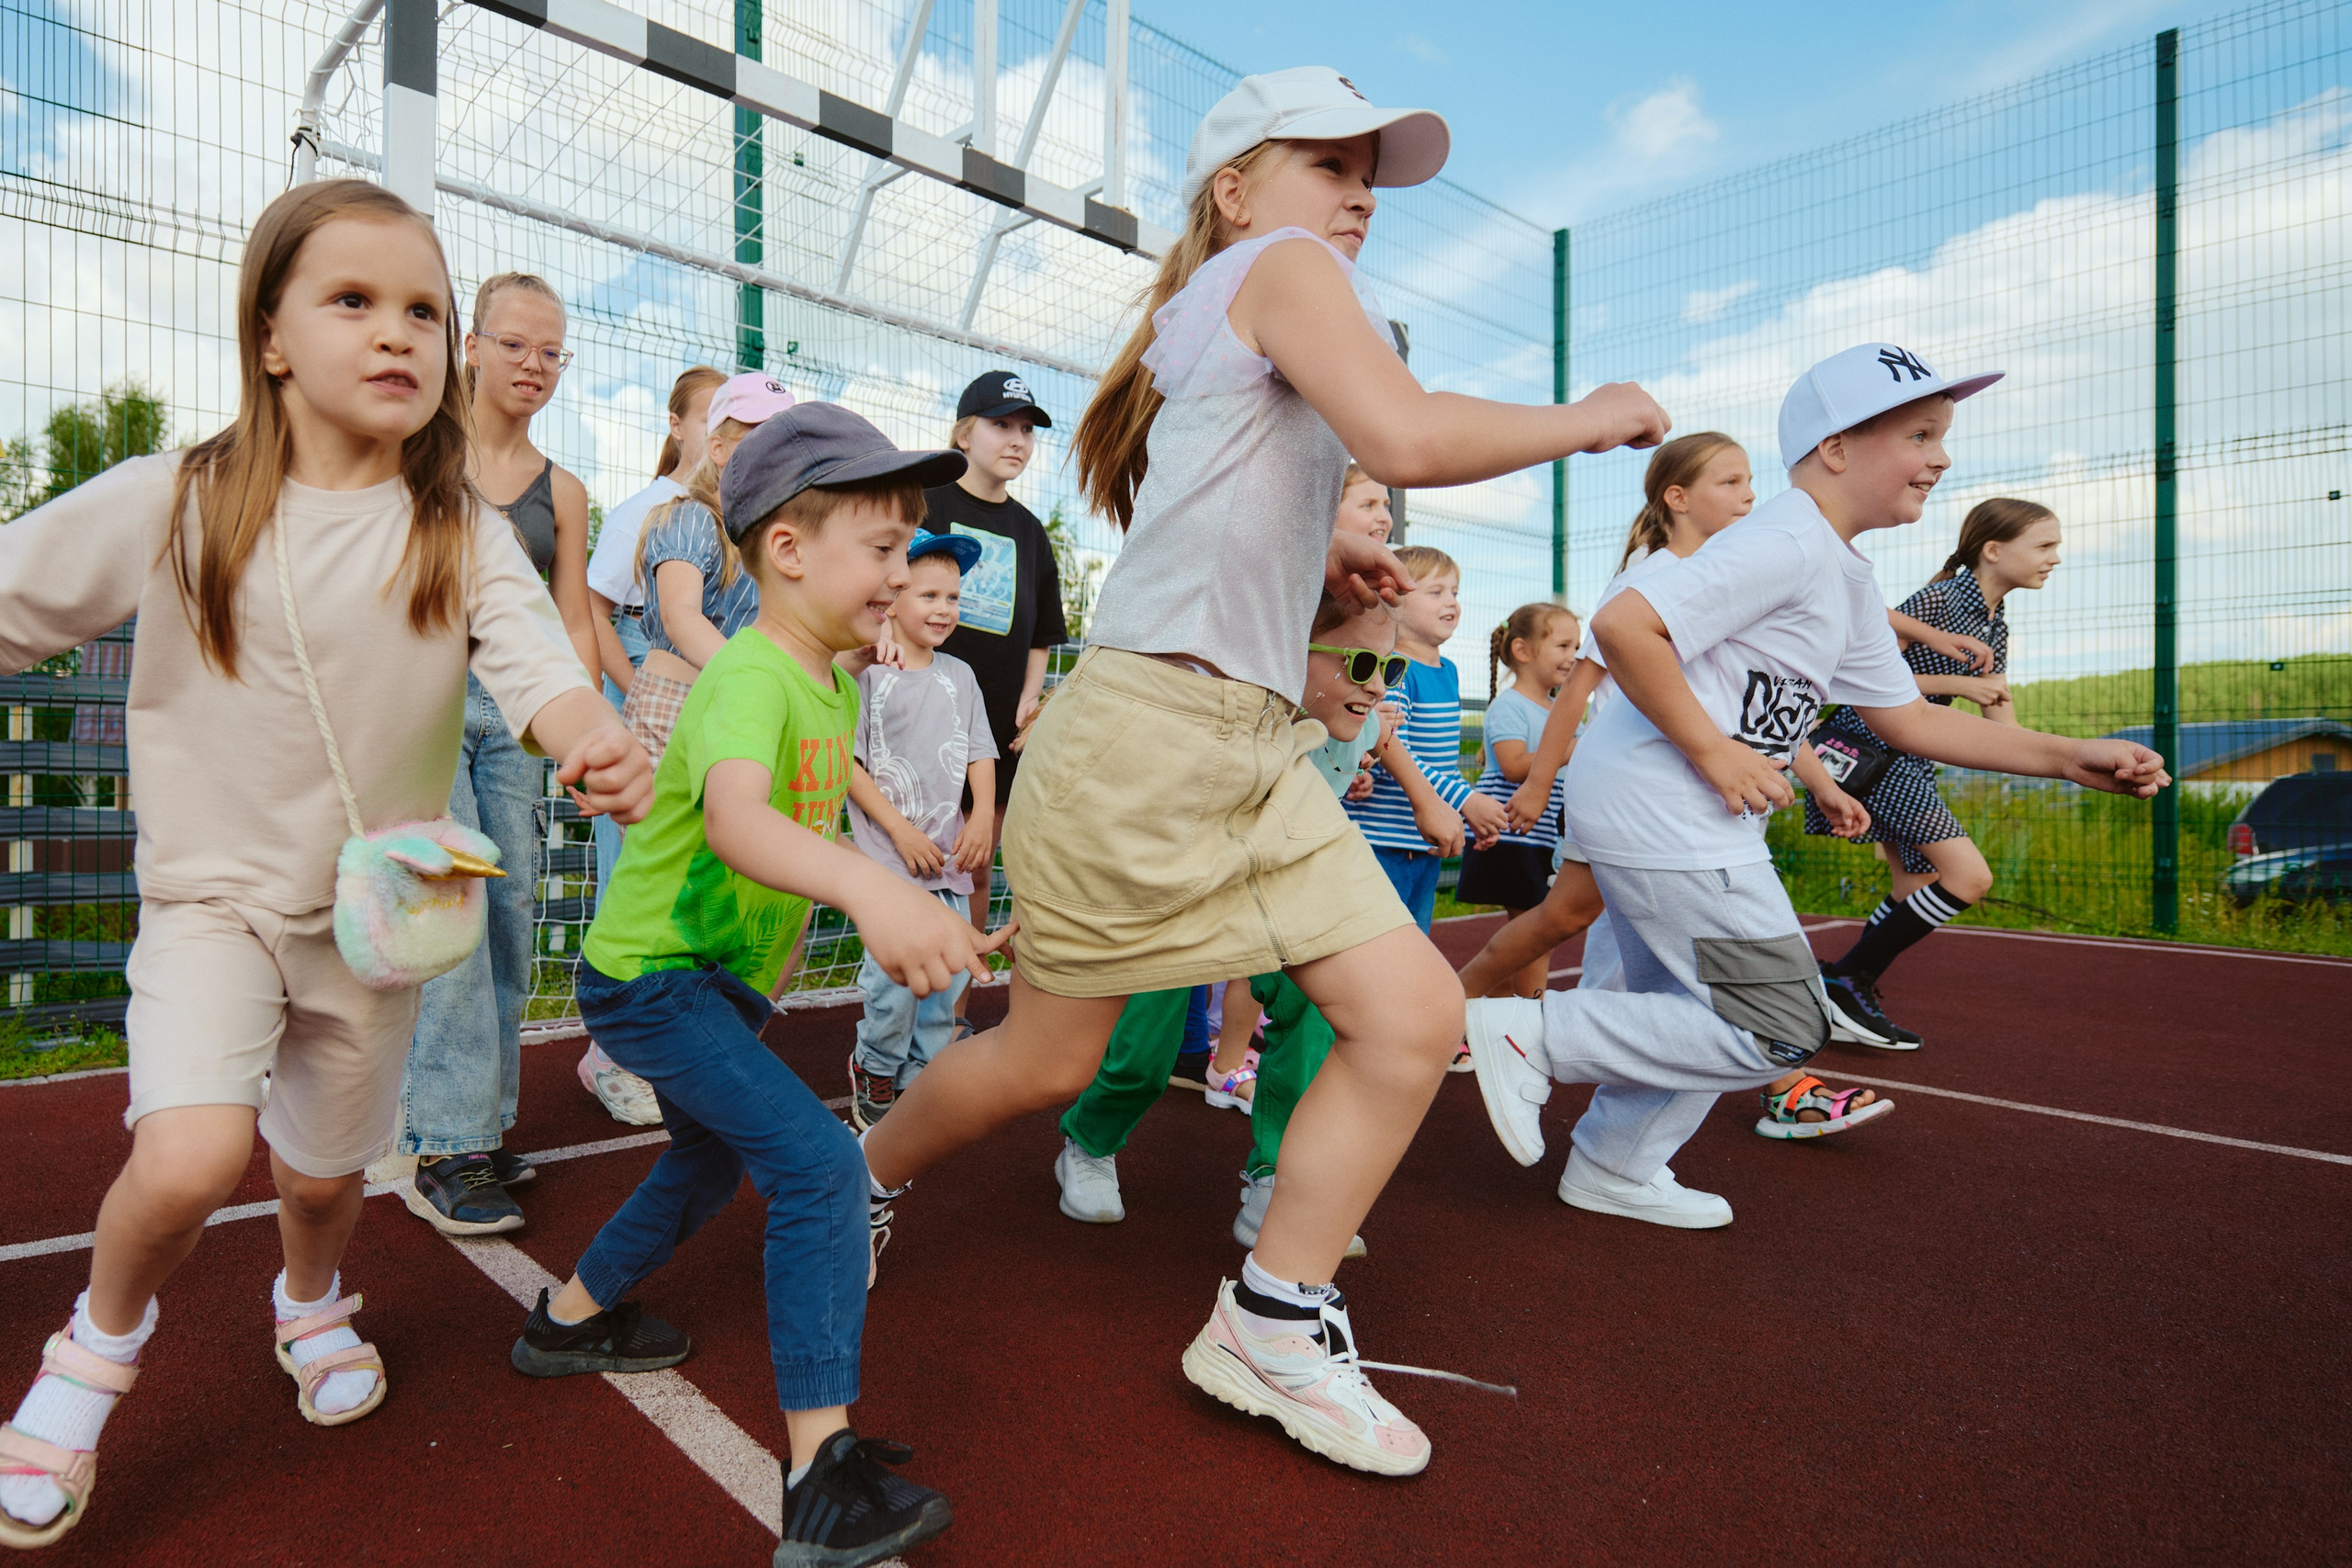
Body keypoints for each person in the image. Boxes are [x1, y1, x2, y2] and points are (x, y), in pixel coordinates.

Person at [857, 66, 1669, 1477]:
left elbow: (1238, 557)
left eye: (1373, 172)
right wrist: (1590, 412)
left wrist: (1326, 581)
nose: (1361, 192)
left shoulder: (1234, 308)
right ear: (1235, 190)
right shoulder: (1280, 265)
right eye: (1329, 162)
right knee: (1043, 1060)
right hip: (1147, 750)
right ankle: (848, 1179)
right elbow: (1408, 436)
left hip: (1244, 745)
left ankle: (1276, 1318)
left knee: (1414, 1013)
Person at [0, 180, 650, 1548]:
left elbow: (544, 666)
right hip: (213, 903)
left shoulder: (458, 530)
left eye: (424, 308)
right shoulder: (173, 501)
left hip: (385, 914)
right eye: (352, 300)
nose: (397, 331)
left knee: (319, 1180)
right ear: (272, 333)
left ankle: (309, 1296)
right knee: (185, 1158)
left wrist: (596, 734)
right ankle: (89, 1354)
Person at [1463, 343, 2167, 1237]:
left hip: (1670, 812)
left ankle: (1614, 1165)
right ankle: (1530, 1035)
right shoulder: (1787, 539)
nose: (1941, 458)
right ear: (1834, 448)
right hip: (1671, 811)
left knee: (1685, 1011)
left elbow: (1906, 719)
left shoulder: (1838, 569)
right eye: (1919, 434)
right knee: (1777, 1024)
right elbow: (1623, 624)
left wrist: (2069, 755)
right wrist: (1715, 751)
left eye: (1941, 436)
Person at [512, 402, 988, 1568]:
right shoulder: (749, 678)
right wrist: (872, 895)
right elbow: (735, 819)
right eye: (881, 552)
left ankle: (568, 1321)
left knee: (710, 1156)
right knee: (824, 1168)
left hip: (713, 986)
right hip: (654, 983)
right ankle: (819, 1483)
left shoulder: (827, 684)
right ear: (787, 551)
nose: (901, 574)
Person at [1052, 591, 1404, 1269]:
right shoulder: (1227, 707)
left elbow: (1331, 784)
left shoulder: (1350, 722)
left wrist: (1357, 769)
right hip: (1195, 879)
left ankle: (1274, 1174)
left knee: (1315, 1008)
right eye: (1362, 662)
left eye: (1392, 670)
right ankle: (1090, 1140)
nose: (1377, 686)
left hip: (1279, 879)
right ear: (1287, 648)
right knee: (1147, 1043)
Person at [397, 270, 610, 1235]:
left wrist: (587, 726)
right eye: (516, 344)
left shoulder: (562, 489)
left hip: (520, 711)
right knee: (451, 909)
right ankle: (443, 1141)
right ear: (471, 346)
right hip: (422, 703)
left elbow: (569, 616)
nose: (535, 364)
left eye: (552, 351)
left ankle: (478, 1121)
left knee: (512, 909)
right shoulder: (412, 458)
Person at [1806, 497, 2064, 1046]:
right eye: (2044, 546)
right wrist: (1960, 685)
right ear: (1993, 550)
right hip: (1871, 755)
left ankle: (1845, 986)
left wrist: (2076, 761)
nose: (2054, 558)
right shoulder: (1940, 602)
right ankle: (1846, 980)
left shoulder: (1995, 626)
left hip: (1911, 761)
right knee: (1969, 877)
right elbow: (1856, 675)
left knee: (1917, 884)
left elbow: (2005, 728)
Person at [578, 363, 725, 1127]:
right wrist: (633, 692)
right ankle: (612, 1055)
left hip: (703, 700)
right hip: (649, 686)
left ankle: (665, 1041)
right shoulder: (651, 509)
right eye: (712, 416)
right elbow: (594, 608)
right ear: (678, 424)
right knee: (631, 877)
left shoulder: (735, 522)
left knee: (688, 879)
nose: (723, 434)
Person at [929, 370, 1069, 1040]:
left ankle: (953, 1011)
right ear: (964, 432)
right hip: (925, 718)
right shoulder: (924, 502)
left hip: (997, 731)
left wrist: (1029, 698)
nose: (1017, 440)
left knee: (976, 860)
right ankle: (898, 1007)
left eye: (1026, 430)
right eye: (1002, 425)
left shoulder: (1031, 531)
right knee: (918, 855)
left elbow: (1044, 631)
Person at [843, 529, 998, 1128]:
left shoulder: (961, 676)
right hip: (890, 859)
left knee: (947, 975)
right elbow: (847, 764)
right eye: (929, 594)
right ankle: (875, 1065)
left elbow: (980, 752)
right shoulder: (867, 673)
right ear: (895, 595)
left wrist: (982, 812)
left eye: (953, 597)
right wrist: (898, 831)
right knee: (893, 980)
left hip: (949, 862)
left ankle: (920, 1076)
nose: (943, 609)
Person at [621, 372, 797, 767]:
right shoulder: (692, 519)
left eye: (786, 445)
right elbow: (680, 616)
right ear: (718, 448)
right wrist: (755, 676)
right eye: (759, 439)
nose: (776, 456)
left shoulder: (770, 540)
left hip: (733, 704)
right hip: (673, 705)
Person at [1343, 545, 1511, 937]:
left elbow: (1442, 765)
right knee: (1378, 946)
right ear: (1394, 601)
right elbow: (1395, 754)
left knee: (1414, 942)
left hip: (1423, 846)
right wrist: (1466, 800)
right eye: (1436, 592)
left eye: (1455, 592)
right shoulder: (1396, 673)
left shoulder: (1447, 671)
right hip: (1381, 846)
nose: (1451, 602)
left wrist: (1460, 816)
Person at [1453, 602, 1581, 996]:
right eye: (1562, 646)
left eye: (1577, 647)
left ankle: (1494, 1010)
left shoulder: (1560, 709)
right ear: (1523, 651)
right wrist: (1571, 746)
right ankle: (1525, 1014)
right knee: (1534, 935)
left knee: (1529, 935)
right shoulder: (1510, 706)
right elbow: (1511, 765)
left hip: (1541, 840)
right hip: (1511, 838)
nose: (1573, 657)